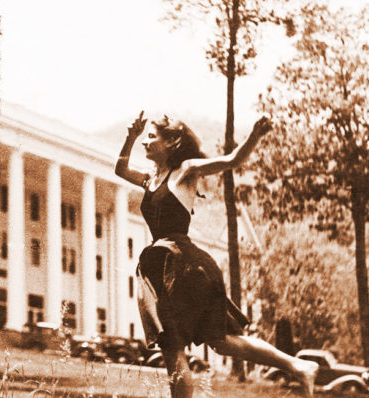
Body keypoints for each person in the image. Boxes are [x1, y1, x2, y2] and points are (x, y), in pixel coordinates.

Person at [114, 111, 319, 398]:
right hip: (165, 265)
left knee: (174, 347)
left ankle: (297, 366)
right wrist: (130, 137)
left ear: (172, 142)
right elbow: (120, 170)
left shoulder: (185, 170)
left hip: (179, 265)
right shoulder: (151, 178)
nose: (145, 143)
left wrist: (255, 136)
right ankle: (297, 366)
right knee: (221, 342)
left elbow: (231, 161)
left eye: (151, 137)